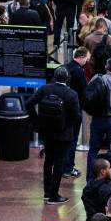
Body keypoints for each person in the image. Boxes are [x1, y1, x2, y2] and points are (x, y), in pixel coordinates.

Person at [27, 67, 81, 205]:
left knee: (48, 161)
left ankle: (47, 192)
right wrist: (70, 127)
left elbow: (28, 103)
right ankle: (53, 196)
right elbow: (77, 117)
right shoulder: (71, 94)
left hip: (46, 131)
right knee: (59, 163)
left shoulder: (45, 89)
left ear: (54, 77)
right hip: (63, 133)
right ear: (67, 78)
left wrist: (37, 121)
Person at [64, 47, 89, 179]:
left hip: (63, 110)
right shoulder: (79, 71)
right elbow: (84, 92)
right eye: (86, 58)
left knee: (64, 139)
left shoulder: (66, 67)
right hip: (74, 109)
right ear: (82, 57)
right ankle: (68, 168)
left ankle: (63, 166)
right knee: (73, 139)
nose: (87, 61)